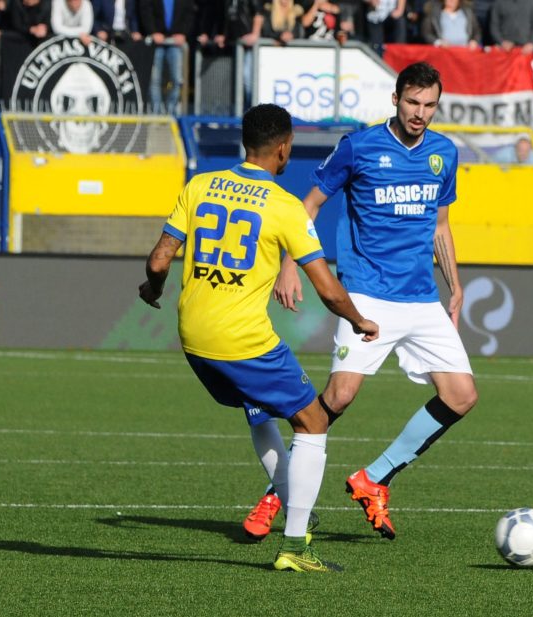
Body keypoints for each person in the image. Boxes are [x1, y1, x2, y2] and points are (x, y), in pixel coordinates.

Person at [243, 62, 479, 542]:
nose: (421, 113)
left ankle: (374, 479)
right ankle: (277, 492)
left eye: (430, 105)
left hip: (421, 298)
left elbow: (440, 225)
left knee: (462, 395)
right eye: (413, 102)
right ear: (395, 99)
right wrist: (290, 262)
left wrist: (454, 286)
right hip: (367, 296)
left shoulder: (443, 153)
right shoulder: (360, 146)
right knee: (339, 397)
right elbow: (308, 205)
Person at [138, 103, 378, 572]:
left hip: (193, 336)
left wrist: (154, 289)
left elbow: (159, 260)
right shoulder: (285, 206)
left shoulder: (200, 184)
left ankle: (292, 516)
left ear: (244, 143)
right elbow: (327, 290)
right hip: (242, 340)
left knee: (260, 412)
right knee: (313, 421)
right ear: (284, 149)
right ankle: (295, 546)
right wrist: (360, 320)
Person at [139, 0, 194, 114]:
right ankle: (156, 114)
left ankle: (170, 113)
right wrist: (153, 32)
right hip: (156, 44)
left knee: (177, 79)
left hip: (176, 43)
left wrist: (183, 33)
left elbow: (189, 13)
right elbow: (145, 11)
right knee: (154, 81)